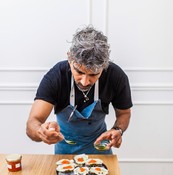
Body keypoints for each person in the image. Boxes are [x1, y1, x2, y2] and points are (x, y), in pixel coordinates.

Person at [26, 25, 132, 154]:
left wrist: (117, 130)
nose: (85, 82)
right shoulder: (56, 76)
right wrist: (41, 132)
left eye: (93, 74)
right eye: (79, 72)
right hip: (64, 148)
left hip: (100, 146)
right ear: (69, 58)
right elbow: (33, 122)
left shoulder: (116, 76)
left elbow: (124, 113)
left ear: (104, 66)